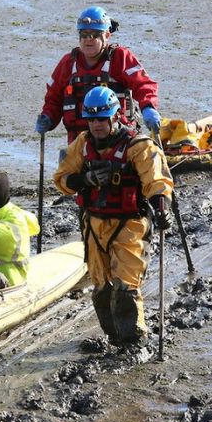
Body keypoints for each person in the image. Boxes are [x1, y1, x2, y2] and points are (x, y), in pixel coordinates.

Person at [53, 87, 173, 346]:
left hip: (129, 224)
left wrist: (162, 207)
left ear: (116, 116)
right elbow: (62, 178)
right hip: (94, 225)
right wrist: (84, 179)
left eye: (102, 118)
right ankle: (114, 337)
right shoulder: (82, 145)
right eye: (92, 119)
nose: (96, 124)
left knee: (125, 286)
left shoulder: (138, 146)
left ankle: (134, 341)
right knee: (102, 287)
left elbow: (157, 181)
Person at [35, 5, 162, 144]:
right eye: (84, 34)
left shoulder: (120, 58)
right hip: (78, 144)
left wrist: (148, 107)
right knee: (67, 164)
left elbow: (143, 84)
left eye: (95, 34)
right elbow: (53, 98)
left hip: (119, 142)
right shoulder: (68, 63)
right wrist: (47, 117)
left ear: (107, 35)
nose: (88, 39)